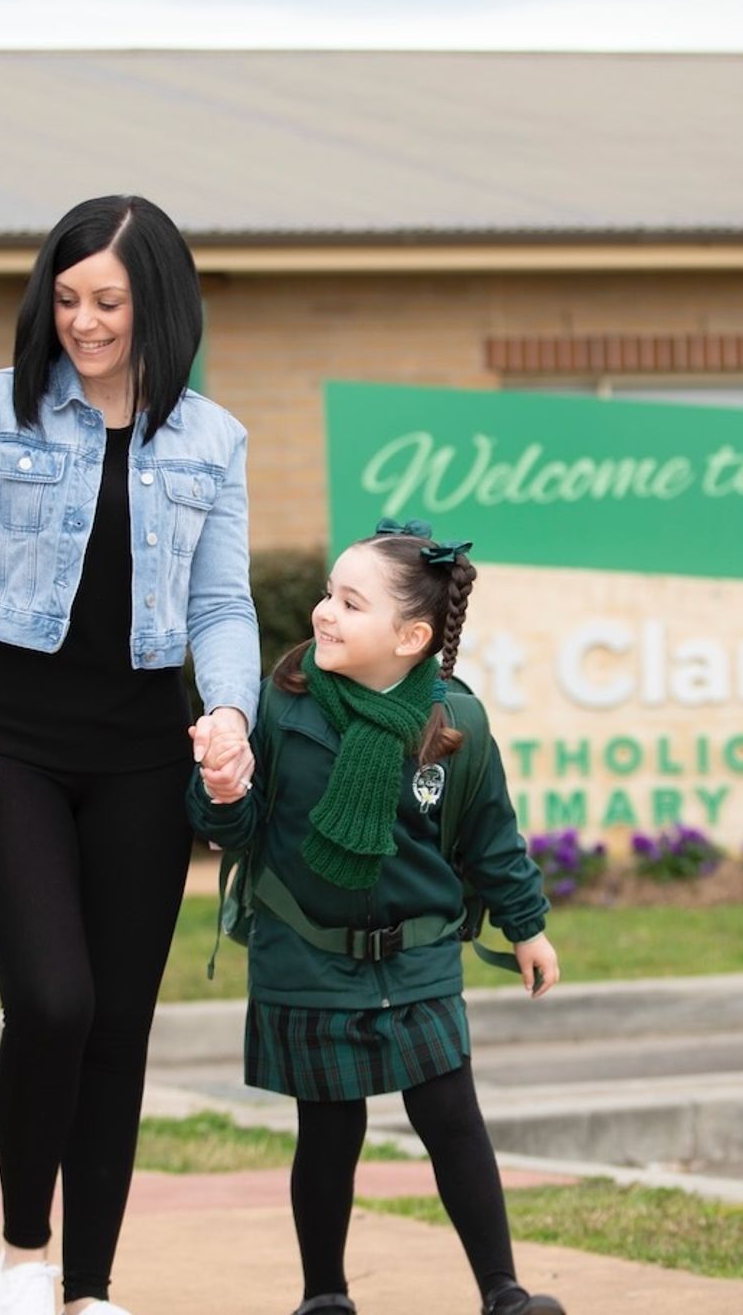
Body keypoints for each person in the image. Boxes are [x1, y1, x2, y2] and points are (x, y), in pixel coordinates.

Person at [0, 194, 260, 1315]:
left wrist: (232, 713)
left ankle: (92, 1289)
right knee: (52, 1003)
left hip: (146, 757)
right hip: (10, 751)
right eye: (65, 299)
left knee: (119, 1026)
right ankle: (22, 1249)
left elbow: (222, 603)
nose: (84, 323)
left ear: (159, 305)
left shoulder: (212, 437)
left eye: (108, 301)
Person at [193, 522, 568, 1315]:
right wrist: (222, 794)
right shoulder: (283, 705)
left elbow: (491, 838)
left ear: (411, 636)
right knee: (329, 1136)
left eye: (349, 602)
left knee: (453, 1122)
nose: (324, 612)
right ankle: (323, 1295)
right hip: (306, 956)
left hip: (420, 956)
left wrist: (526, 925)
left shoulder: (453, 725)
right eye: (329, 594)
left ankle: (503, 1292)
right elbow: (241, 829)